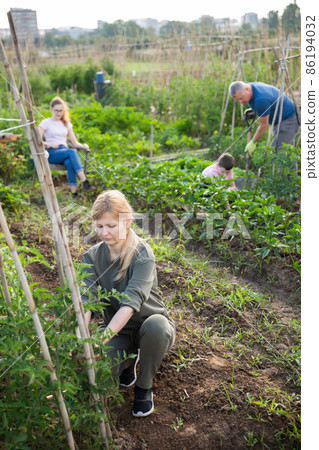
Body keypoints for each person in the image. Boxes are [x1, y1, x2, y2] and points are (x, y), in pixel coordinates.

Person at [80, 190, 176, 417]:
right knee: (99, 375)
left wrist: (101, 338)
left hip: (148, 327)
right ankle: (128, 360)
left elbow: (130, 305)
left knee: (157, 327)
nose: (105, 232)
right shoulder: (92, 257)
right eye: (100, 226)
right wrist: (82, 339)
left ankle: (144, 387)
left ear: (128, 221)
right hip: (117, 330)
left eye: (111, 226)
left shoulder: (142, 254)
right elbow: (87, 303)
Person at [39, 96, 94, 196]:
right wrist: (48, 143)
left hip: (65, 152)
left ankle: (74, 194)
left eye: (61, 110)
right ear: (51, 109)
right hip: (52, 153)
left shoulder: (66, 124)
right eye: (56, 110)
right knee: (71, 152)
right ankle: (85, 181)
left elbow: (75, 143)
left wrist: (83, 146)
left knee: (69, 162)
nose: (59, 113)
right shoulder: (46, 123)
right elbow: (36, 140)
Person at [229, 81, 300, 155]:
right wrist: (254, 109)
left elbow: (264, 125)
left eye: (241, 98)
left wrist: (253, 141)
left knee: (278, 153)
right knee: (287, 152)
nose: (240, 102)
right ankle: (291, 166)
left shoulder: (261, 100)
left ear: (247, 89)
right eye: (238, 100)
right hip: (281, 117)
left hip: (288, 120)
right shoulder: (251, 87)